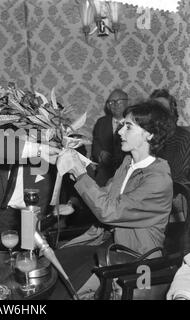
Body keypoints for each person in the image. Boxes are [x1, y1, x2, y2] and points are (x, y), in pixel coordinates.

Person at [53, 100, 175, 299]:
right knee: (53, 266)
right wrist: (73, 203)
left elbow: (110, 212)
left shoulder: (158, 180)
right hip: (108, 243)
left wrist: (79, 172)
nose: (119, 132)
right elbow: (104, 195)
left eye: (128, 127)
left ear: (149, 134)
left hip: (135, 258)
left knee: (62, 289)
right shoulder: (128, 164)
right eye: (121, 125)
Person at [150, 88, 190, 184]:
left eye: (163, 108)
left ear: (172, 112)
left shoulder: (182, 138)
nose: (159, 112)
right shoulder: (147, 136)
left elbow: (178, 178)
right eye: (155, 108)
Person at [91, 89, 128, 187]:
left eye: (119, 101)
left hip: (127, 172)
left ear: (127, 102)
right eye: (111, 102)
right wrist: (101, 154)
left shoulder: (134, 123)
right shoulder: (101, 122)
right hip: (104, 171)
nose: (115, 105)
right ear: (107, 106)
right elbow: (96, 144)